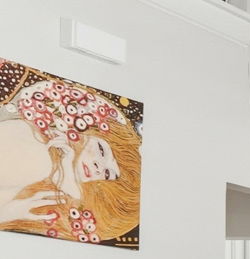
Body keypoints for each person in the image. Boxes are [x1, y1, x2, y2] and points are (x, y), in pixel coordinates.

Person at [0, 76, 143, 246]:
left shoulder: (47, 181)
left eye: (107, 174)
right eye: (102, 150)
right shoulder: (41, 152)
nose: (98, 166)